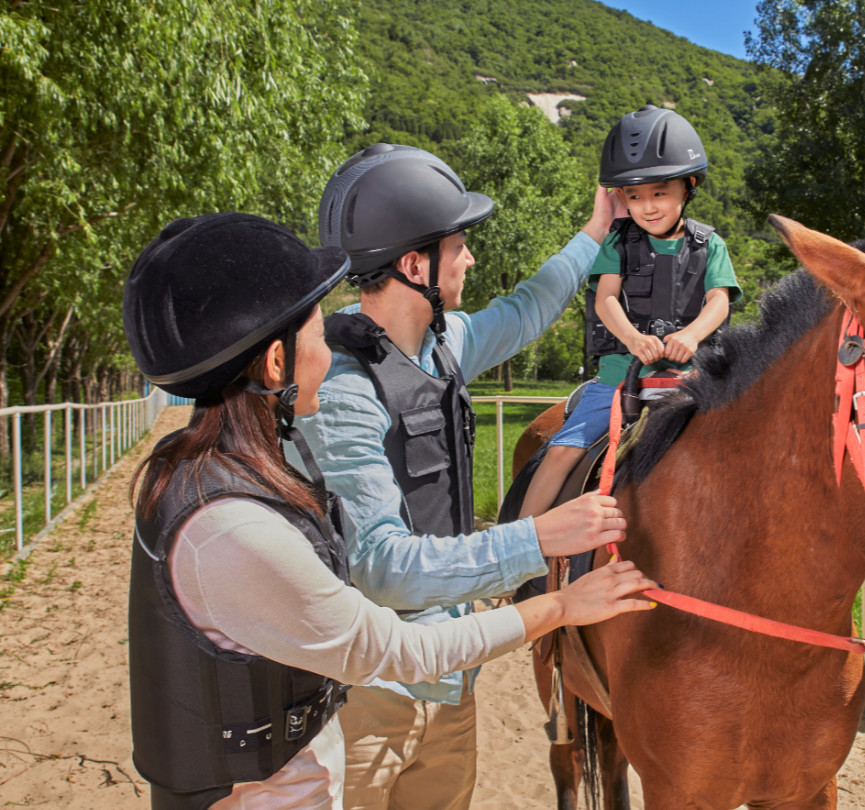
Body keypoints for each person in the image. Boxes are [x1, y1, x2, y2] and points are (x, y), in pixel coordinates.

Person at [122, 213, 656, 809]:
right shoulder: (234, 528)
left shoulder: (215, 477)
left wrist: (593, 228)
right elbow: (392, 642)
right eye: (321, 334)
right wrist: (554, 593)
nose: (333, 347)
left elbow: (527, 308)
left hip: (418, 700)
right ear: (276, 364)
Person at [294, 143, 634, 810]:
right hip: (367, 699)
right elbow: (382, 567)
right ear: (415, 264)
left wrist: (596, 230)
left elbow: (531, 306)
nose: (471, 259)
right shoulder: (342, 389)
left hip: (449, 685)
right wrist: (537, 539)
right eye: (459, 246)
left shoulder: (443, 345)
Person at [519, 105, 741, 518]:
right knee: (562, 451)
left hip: (692, 379)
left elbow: (719, 300)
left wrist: (691, 336)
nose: (648, 206)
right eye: (634, 196)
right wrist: (633, 340)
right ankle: (520, 543)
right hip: (622, 379)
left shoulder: (711, 245)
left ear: (688, 186)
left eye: (659, 193)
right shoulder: (617, 244)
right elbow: (606, 298)